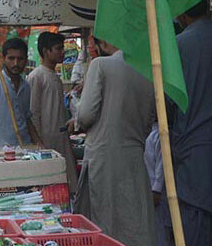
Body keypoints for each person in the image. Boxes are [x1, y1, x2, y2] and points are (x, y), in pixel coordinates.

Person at [75, 37, 156, 246]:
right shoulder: (149, 70)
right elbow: (150, 120)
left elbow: (85, 116)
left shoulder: (101, 65)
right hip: (134, 153)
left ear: (104, 42)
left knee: (106, 220)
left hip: (104, 154)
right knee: (134, 219)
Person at [172, 0, 212, 245]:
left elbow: (167, 104)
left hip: (193, 156)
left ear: (182, 14)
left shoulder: (178, 47)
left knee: (195, 236)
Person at [28, 32, 78, 193]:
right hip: (46, 141)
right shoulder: (37, 76)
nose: (62, 52)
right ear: (46, 51)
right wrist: (39, 142)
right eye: (58, 49)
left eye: (62, 48)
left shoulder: (54, 76)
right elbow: (32, 113)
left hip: (60, 137)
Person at [0, 38, 43, 148]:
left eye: (20, 59)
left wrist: (40, 144)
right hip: (1, 151)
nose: (16, 63)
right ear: (3, 59)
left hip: (24, 148)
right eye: (11, 58)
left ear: (26, 60)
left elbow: (26, 119)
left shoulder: (26, 86)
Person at [145, 123, 173, 246]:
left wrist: (156, 189)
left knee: (161, 231)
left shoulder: (160, 135)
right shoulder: (150, 134)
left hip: (158, 193)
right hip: (150, 190)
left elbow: (162, 166)